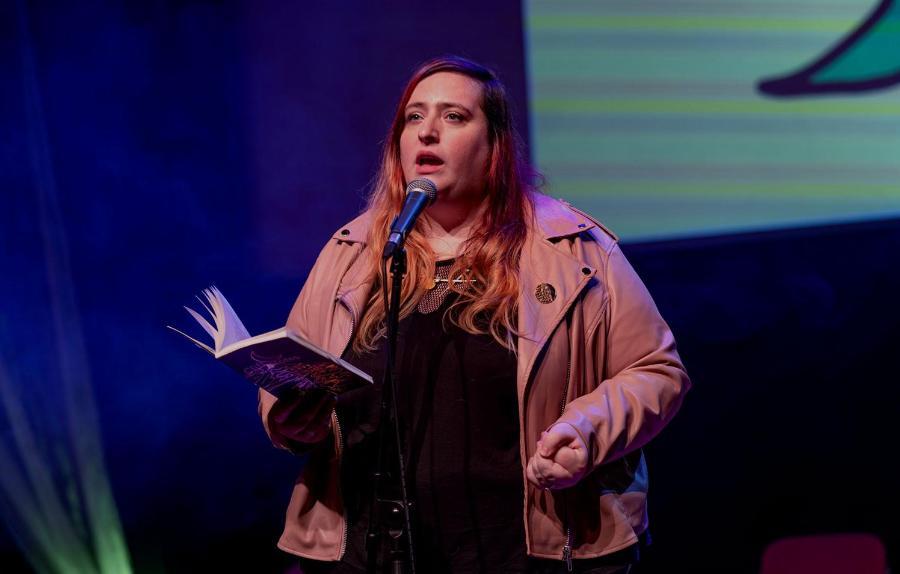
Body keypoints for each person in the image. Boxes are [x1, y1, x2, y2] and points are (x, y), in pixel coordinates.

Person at [258, 56, 690, 573]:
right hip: (371, 551)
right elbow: (298, 365)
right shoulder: (353, 250)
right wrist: (288, 417)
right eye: (413, 118)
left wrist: (586, 429)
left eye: (454, 117)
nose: (428, 133)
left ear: (494, 146)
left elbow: (657, 371)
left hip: (521, 551)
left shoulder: (572, 247)